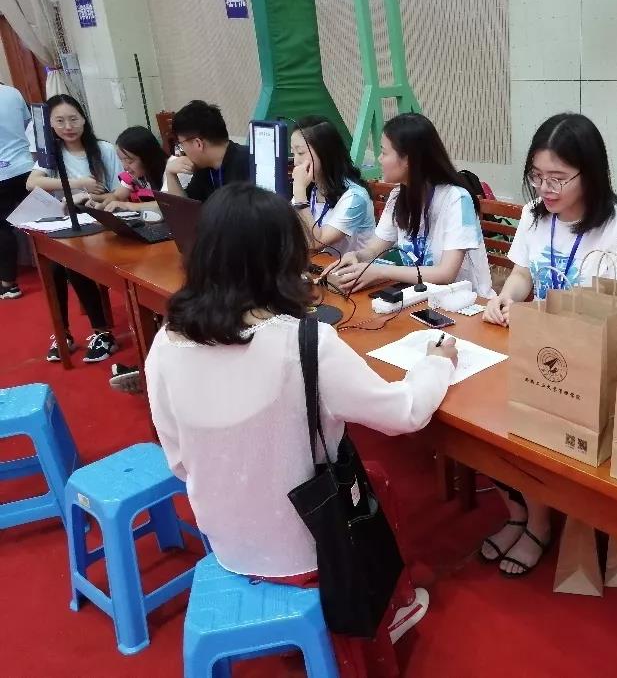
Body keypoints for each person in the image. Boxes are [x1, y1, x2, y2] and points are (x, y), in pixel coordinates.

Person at [145, 182, 458, 656]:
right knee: (374, 483)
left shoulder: (166, 342)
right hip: (310, 547)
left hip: (225, 540)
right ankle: (388, 610)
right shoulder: (305, 342)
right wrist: (436, 362)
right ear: (285, 260)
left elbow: (179, 462)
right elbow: (405, 413)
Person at [480, 112, 617, 577]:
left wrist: (557, 323)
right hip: (540, 351)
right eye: (537, 176)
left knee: (528, 419)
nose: (545, 189)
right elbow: (522, 273)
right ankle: (520, 511)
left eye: (557, 178)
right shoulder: (535, 215)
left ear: (589, 173)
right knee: (481, 410)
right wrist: (506, 298)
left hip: (593, 364)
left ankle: (538, 523)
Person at [328, 113, 494, 298]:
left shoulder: (456, 199)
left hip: (466, 303)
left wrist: (380, 271)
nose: (379, 159)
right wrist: (358, 256)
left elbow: (446, 274)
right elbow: (374, 250)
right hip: (421, 298)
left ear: (408, 160)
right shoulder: (398, 196)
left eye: (384, 152)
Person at [26, 94, 122, 363]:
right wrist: (77, 185)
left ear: (83, 119)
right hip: (68, 222)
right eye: (60, 121)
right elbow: (32, 183)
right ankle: (63, 332)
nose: (68, 127)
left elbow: (119, 192)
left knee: (73, 262)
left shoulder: (103, 149)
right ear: (50, 124)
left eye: (73, 119)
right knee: (54, 265)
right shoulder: (51, 154)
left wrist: (92, 198)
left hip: (100, 220)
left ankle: (103, 332)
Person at [290, 115, 375, 256]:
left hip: (352, 268)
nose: (296, 162)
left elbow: (316, 243)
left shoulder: (355, 197)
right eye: (293, 153)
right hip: (318, 265)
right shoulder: (310, 188)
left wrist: (299, 193)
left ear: (325, 152)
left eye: (301, 153)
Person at [164, 100, 249, 202]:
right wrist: (170, 174)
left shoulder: (250, 163)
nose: (183, 151)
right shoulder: (204, 166)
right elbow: (184, 207)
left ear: (198, 144)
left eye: (181, 144)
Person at [0, 82, 35, 300]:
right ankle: (66, 269)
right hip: (26, 167)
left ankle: (8, 284)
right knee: (42, 219)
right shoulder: (12, 93)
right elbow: (26, 124)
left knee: (2, 228)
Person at [95, 126, 167, 213]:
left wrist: (127, 205)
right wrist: (103, 205)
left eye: (129, 161)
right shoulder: (133, 175)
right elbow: (117, 196)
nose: (125, 166)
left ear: (147, 157)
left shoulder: (169, 171)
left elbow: (167, 204)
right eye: (121, 160)